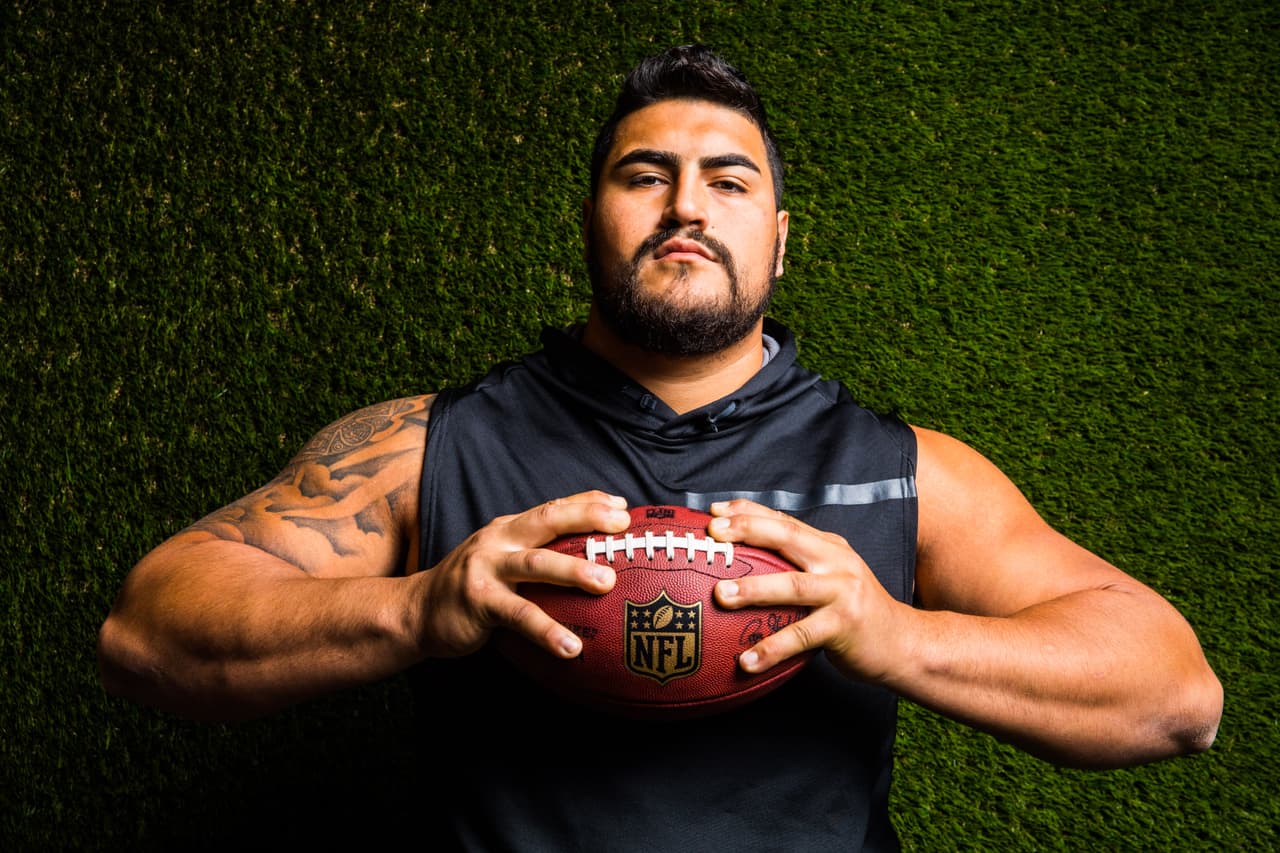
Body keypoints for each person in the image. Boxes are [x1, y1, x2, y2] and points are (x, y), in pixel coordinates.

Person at [98, 44, 1223, 851]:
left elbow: (1173, 696)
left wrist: (895, 634)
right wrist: (412, 610)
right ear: (592, 219)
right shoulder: (430, 445)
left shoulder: (902, 471)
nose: (685, 204)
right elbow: (147, 632)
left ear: (776, 244)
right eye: (644, 176)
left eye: (728, 181)